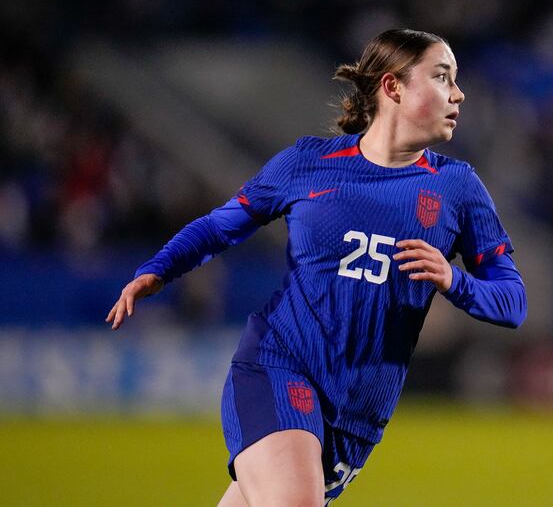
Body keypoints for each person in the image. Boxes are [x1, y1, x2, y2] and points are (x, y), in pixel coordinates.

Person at [106, 28, 527, 507]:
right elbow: (222, 225)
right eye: (442, 76)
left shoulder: (458, 188)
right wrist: (159, 268)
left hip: (358, 413)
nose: (458, 93)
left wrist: (454, 280)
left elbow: (512, 303)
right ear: (393, 87)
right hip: (279, 367)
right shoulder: (307, 163)